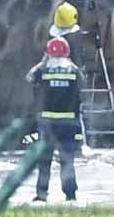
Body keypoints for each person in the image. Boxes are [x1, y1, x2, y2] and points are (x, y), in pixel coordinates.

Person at [26, 36, 83, 202]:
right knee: (67, 160)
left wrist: (43, 61)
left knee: (44, 160)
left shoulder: (43, 71)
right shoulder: (73, 71)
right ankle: (70, 194)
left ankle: (42, 194)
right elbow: (81, 90)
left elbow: (29, 77)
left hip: (47, 123)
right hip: (68, 123)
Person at [49, 1, 87, 71]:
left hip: (52, 69)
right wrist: (81, 70)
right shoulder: (74, 37)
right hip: (71, 70)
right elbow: (77, 57)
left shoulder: (52, 34)